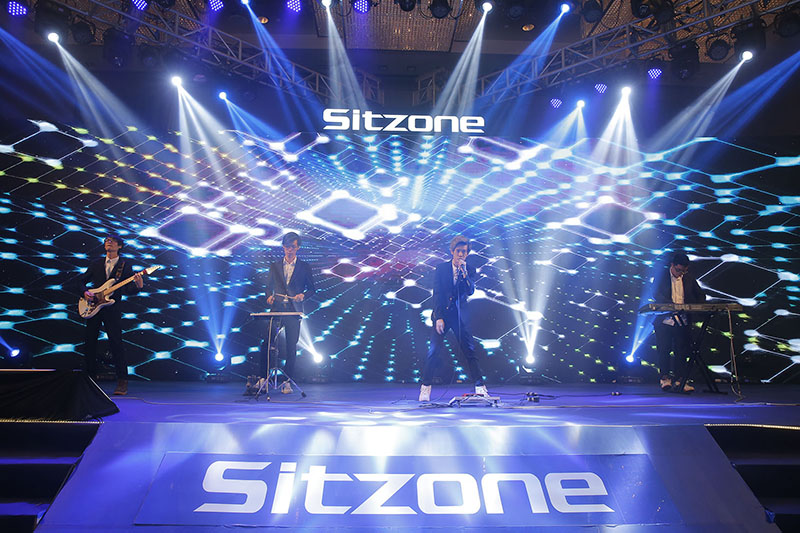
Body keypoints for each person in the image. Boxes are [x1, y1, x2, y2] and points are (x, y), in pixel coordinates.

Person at [419, 235, 488, 402]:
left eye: (464, 252)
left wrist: (464, 273)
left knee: (469, 352)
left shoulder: (469, 269)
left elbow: (470, 291)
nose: (461, 254)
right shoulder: (441, 268)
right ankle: (425, 388)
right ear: (452, 251)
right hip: (442, 315)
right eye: (458, 251)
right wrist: (438, 317)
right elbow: (437, 294)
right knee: (433, 352)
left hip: (459, 317)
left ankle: (480, 387)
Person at [78, 235, 144, 396]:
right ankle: (90, 379)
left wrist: (138, 286)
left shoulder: (125, 265)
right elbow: (80, 281)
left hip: (112, 309)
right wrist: (85, 292)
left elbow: (127, 289)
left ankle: (122, 380)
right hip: (94, 307)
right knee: (90, 343)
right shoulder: (96, 263)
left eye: (113, 241)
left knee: (116, 344)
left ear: (119, 246)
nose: (109, 242)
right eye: (107, 240)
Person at [264, 232, 316, 392]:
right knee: (266, 343)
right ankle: (263, 378)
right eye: (287, 246)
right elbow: (268, 287)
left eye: (292, 247)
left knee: (291, 346)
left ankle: (287, 381)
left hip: (294, 311)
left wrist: (302, 296)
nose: (289, 249)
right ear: (283, 247)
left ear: (298, 247)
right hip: (277, 310)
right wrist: (269, 297)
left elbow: (312, 289)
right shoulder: (275, 266)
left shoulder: (304, 266)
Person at [652, 252, 705, 392]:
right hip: (665, 320)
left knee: (682, 351)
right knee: (664, 349)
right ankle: (665, 378)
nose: (680, 273)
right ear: (672, 265)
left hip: (683, 320)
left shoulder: (688, 278)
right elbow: (656, 294)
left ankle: (680, 380)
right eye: (678, 270)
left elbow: (700, 295)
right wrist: (671, 305)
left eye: (683, 271)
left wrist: (695, 307)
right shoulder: (662, 277)